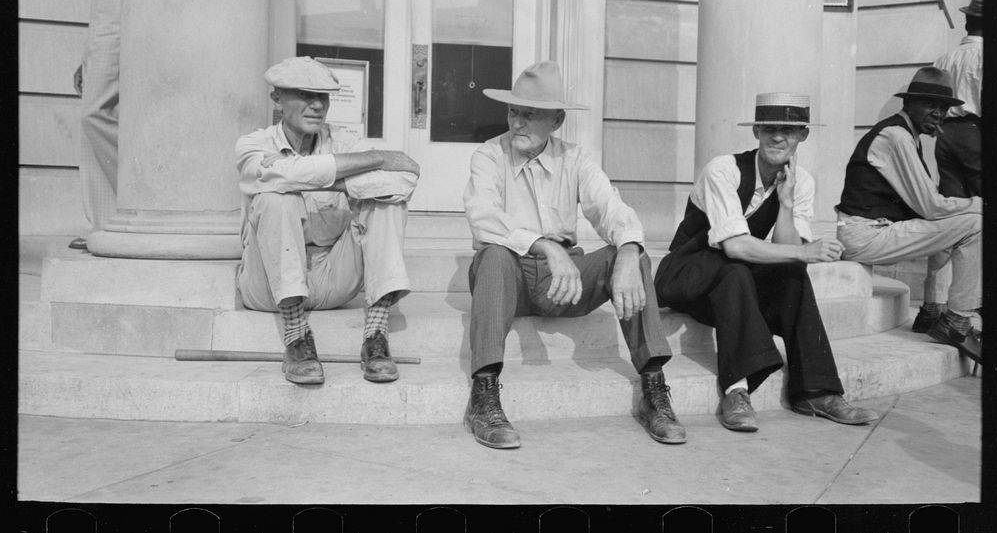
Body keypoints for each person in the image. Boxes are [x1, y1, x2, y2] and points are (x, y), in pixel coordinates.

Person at [462, 60, 684, 449]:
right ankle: (484, 398)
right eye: (513, 112)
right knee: (493, 255)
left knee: (631, 254)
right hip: (508, 276)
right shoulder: (488, 155)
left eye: (529, 115)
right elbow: (483, 218)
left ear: (557, 121)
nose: (517, 123)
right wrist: (545, 245)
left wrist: (630, 251)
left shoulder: (576, 158)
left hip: (562, 283)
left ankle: (654, 392)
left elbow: (610, 207)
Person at [654, 92, 878, 433]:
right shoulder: (724, 170)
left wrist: (785, 206)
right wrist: (806, 252)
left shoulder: (800, 181)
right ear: (756, 131)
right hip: (686, 273)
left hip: (732, 284)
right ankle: (736, 390)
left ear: (803, 135)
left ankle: (816, 391)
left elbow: (787, 251)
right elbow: (735, 247)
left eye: (789, 130)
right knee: (736, 270)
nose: (778, 137)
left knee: (791, 276)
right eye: (770, 128)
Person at [235, 56, 420, 386]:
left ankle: (376, 336)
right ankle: (296, 337)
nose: (316, 106)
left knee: (385, 202)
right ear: (276, 98)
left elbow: (404, 177)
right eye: (304, 95)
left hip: (332, 277)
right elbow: (271, 176)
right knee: (275, 198)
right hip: (268, 284)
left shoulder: (345, 143)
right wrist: (376, 159)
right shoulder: (254, 144)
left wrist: (319, 178)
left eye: (323, 97)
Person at [836, 67, 981, 364]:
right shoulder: (896, 136)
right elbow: (930, 206)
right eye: (930, 104)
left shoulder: (906, 135)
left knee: (955, 227)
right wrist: (978, 203)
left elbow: (928, 209)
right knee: (978, 224)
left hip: (872, 230)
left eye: (942, 107)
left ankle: (931, 312)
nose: (938, 113)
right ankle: (957, 322)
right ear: (909, 103)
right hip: (865, 234)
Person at [69, 0, 124, 251]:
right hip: (102, 30)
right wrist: (86, 54)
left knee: (94, 116)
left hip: (120, 28)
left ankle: (138, 203)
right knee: (89, 119)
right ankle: (103, 224)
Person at [932, 0, 983, 198]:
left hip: (944, 136)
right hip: (976, 134)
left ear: (966, 23)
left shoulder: (943, 60)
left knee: (953, 204)